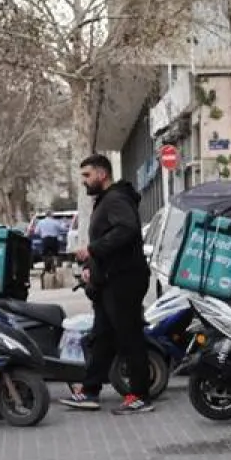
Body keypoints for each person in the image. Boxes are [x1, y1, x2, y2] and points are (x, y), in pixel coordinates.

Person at [60, 154, 154, 415]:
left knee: (129, 337)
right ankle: (90, 391)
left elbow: (126, 230)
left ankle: (140, 396)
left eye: (87, 175)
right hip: (109, 281)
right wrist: (91, 268)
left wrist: (92, 250)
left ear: (102, 174)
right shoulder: (107, 200)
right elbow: (108, 241)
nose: (84, 181)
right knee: (102, 337)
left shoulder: (115, 199)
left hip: (124, 281)